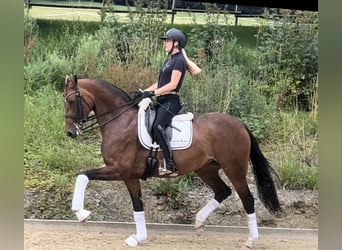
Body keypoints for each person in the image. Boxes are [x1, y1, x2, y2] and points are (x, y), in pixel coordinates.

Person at [140, 28, 189, 176]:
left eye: (167, 41)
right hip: (162, 99)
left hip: (170, 101)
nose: (165, 44)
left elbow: (173, 84)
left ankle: (171, 165)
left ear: (176, 43)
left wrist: (153, 93)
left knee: (158, 126)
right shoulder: (170, 60)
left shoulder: (179, 60)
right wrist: (144, 92)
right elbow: (161, 82)